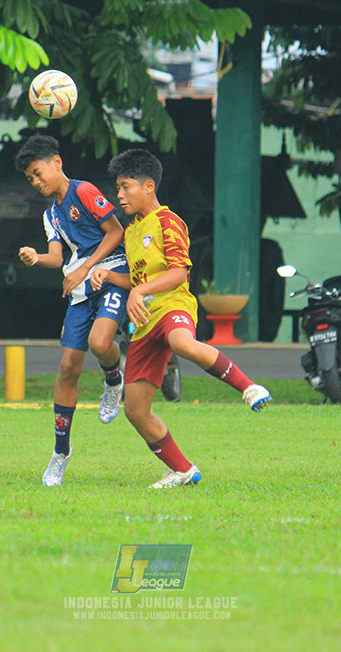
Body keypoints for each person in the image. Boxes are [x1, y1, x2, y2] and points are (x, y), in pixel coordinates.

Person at [91, 148, 272, 490]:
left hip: (173, 305)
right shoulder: (131, 231)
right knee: (135, 409)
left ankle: (249, 388)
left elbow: (177, 274)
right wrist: (109, 276)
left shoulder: (167, 221)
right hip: (144, 323)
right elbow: (139, 280)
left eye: (125, 186)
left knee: (181, 342)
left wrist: (137, 293)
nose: (119, 194)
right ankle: (182, 469)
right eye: (117, 188)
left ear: (148, 186)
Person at [14, 135, 129, 487]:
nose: (36, 182)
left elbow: (116, 231)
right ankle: (60, 453)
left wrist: (86, 268)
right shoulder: (51, 214)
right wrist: (37, 257)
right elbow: (57, 258)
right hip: (81, 289)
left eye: (38, 173)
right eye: (31, 179)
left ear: (57, 163)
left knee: (100, 341)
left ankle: (113, 380)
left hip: (111, 275)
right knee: (67, 368)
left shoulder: (84, 191)